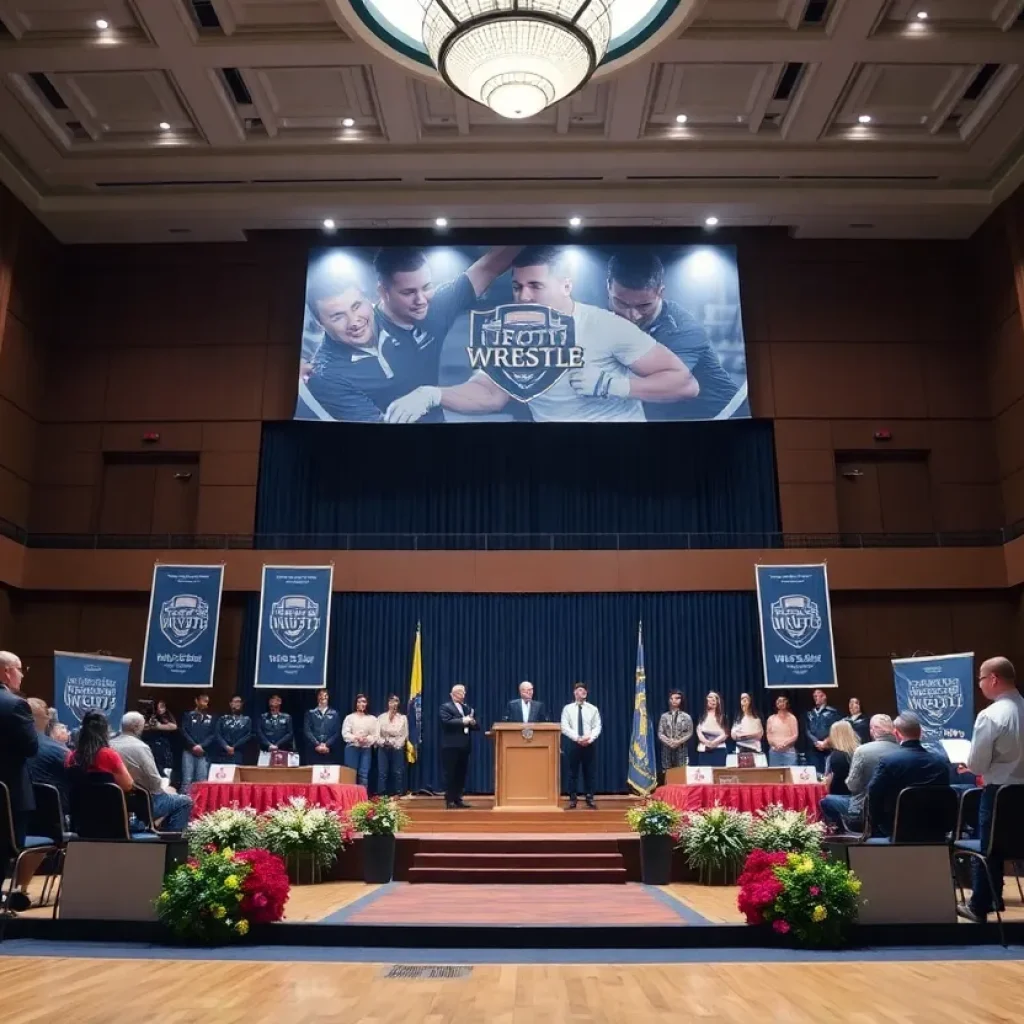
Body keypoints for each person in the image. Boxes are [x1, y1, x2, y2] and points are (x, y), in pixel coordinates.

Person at [384, 245, 699, 423]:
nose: (524, 297)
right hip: (556, 457)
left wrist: (613, 385)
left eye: (536, 286)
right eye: (518, 286)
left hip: (622, 454)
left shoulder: (603, 325)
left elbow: (685, 384)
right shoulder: (509, 334)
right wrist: (434, 394)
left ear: (566, 285)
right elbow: (491, 395)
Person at [302, 245, 521, 422]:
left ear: (369, 297)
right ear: (320, 324)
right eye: (337, 316)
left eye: (357, 305)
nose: (354, 321)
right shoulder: (326, 376)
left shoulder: (427, 309)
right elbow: (376, 438)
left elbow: (488, 267)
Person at [606, 251, 742, 420]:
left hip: (723, 421)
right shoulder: (604, 319)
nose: (632, 315)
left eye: (644, 306)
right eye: (621, 302)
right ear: (609, 287)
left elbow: (658, 386)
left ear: (660, 293)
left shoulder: (681, 331)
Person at [958, 656, 1024, 924]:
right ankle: (995, 897)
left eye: (981, 679)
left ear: (994, 679)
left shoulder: (991, 715)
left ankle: (982, 904)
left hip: (1000, 794)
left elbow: (977, 763)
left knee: (990, 849)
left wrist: (969, 765)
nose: (981, 685)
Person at [865, 712, 950, 839]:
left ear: (897, 734)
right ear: (921, 733)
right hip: (936, 828)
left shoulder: (889, 761)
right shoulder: (941, 762)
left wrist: (875, 822)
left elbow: (873, 792)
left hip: (897, 828)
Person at [0, 653, 39, 912]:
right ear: (5, 672)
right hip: (9, 793)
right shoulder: (15, 705)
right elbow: (31, 747)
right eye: (19, 669)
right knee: (4, 849)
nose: (22, 674)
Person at [111, 712, 192, 833]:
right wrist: (166, 788)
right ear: (136, 727)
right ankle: (171, 844)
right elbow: (154, 782)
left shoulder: (109, 745)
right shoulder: (141, 747)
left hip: (114, 799)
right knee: (184, 801)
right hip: (140, 801)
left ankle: (144, 824)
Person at [833, 714, 898, 830]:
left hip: (863, 811)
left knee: (826, 801)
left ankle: (841, 837)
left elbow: (852, 786)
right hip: (896, 812)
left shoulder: (862, 751)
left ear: (872, 730)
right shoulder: (904, 751)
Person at [66, 711, 134, 793]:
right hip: (107, 804)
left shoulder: (72, 757)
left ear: (82, 732)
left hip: (78, 805)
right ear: (105, 731)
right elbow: (127, 785)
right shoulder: (110, 755)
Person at [560, 683, 602, 809]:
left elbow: (597, 726)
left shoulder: (593, 709)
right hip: (573, 744)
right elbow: (564, 727)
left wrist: (589, 738)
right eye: (579, 690)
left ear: (586, 693)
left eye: (583, 690)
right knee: (572, 772)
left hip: (589, 744)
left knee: (589, 772)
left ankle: (589, 797)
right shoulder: (567, 709)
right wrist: (578, 738)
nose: (581, 692)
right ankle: (573, 799)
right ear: (574, 693)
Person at [439, 684, 479, 809]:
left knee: (461, 773)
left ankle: (458, 798)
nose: (464, 695)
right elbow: (446, 722)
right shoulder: (445, 707)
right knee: (450, 773)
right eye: (462, 692)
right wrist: (463, 721)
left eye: (464, 692)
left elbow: (475, 726)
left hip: (464, 746)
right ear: (455, 694)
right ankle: (450, 799)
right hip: (451, 746)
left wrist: (472, 722)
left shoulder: (466, 708)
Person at [817, 720, 860, 827]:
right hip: (860, 797)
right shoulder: (859, 752)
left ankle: (835, 828)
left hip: (845, 798)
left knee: (824, 801)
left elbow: (832, 787)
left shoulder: (836, 756)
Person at [180, 693, 215, 794]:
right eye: (203, 701)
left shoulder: (210, 718)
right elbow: (184, 731)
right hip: (189, 751)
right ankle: (184, 804)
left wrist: (201, 746)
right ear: (197, 701)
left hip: (203, 753)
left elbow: (213, 734)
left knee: (201, 780)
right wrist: (193, 745)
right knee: (187, 779)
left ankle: (200, 805)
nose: (205, 704)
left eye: (207, 701)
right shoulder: (188, 715)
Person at [376, 694, 408, 796]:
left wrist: (397, 744)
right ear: (388, 704)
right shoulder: (381, 717)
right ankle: (381, 793)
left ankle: (398, 792)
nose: (393, 704)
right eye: (391, 702)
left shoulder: (402, 718)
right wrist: (383, 742)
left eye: (396, 701)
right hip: (383, 747)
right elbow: (376, 733)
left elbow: (405, 734)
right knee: (382, 772)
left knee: (398, 771)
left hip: (397, 747)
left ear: (398, 704)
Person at [339, 693, 375, 783]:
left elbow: (375, 735)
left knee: (363, 774)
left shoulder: (372, 719)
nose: (361, 704)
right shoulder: (349, 718)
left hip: (365, 749)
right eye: (359, 702)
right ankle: (350, 796)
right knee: (351, 773)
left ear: (367, 704)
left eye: (363, 702)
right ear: (355, 704)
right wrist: (356, 738)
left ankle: (362, 796)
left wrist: (366, 739)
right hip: (352, 748)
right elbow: (345, 734)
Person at [805, 688, 842, 773]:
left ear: (824, 696)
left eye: (818, 695)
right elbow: (807, 730)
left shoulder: (833, 712)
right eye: (814, 696)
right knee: (816, 775)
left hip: (829, 748)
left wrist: (826, 742)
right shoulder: (810, 713)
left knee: (828, 773)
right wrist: (816, 742)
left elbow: (836, 729)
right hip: (814, 749)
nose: (815, 697)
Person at [657, 690, 693, 774]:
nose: (674, 700)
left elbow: (689, 732)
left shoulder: (686, 717)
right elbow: (660, 733)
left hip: (681, 748)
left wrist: (678, 742)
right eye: (671, 698)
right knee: (667, 771)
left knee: (681, 771)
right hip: (667, 748)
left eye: (677, 698)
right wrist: (669, 742)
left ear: (681, 700)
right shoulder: (664, 716)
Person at [305, 689, 343, 767]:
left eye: (325, 695)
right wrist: (317, 744)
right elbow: (307, 731)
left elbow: (337, 732)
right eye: (320, 695)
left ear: (328, 697)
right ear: (317, 697)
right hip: (313, 750)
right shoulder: (310, 713)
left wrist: (326, 745)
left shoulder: (334, 714)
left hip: (329, 750)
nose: (323, 697)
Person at [143, 700, 177, 778]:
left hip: (163, 747)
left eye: (162, 707)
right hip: (149, 745)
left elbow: (173, 726)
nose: (160, 709)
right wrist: (150, 726)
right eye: (158, 707)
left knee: (163, 769)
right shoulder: (148, 715)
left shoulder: (167, 717)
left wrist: (159, 726)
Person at [214, 696, 252, 765]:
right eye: (236, 702)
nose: (238, 704)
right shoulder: (223, 719)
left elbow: (247, 735)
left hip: (238, 753)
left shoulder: (246, 720)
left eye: (240, 702)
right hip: (223, 752)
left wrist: (234, 747)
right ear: (231, 704)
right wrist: (226, 746)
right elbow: (217, 734)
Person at [695, 691, 729, 767]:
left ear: (718, 702)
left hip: (719, 750)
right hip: (704, 751)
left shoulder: (723, 717)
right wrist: (707, 743)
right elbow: (699, 731)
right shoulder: (701, 716)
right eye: (710, 697)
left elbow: (725, 734)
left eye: (715, 698)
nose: (712, 699)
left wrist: (713, 743)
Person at [765, 694, 799, 767]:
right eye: (779, 701)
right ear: (776, 704)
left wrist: (784, 744)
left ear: (787, 703)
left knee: (791, 775)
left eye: (784, 701)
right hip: (774, 752)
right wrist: (775, 744)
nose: (781, 703)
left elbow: (795, 735)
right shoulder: (771, 719)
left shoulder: (792, 718)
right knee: (775, 775)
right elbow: (769, 735)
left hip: (789, 752)